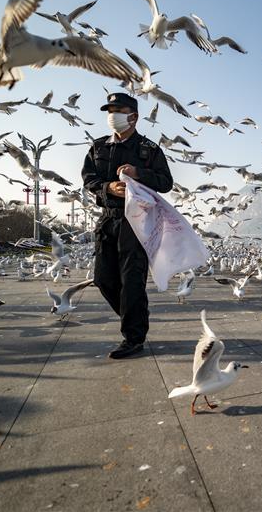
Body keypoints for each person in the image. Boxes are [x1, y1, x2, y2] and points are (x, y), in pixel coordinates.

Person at [82, 92, 173, 359]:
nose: (112, 116)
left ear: (133, 116)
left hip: (137, 221)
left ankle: (133, 337)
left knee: (132, 280)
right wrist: (108, 187)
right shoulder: (98, 147)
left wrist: (139, 173)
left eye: (118, 110)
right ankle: (135, 317)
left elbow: (166, 182)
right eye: (109, 111)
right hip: (108, 217)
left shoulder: (148, 149)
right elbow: (89, 180)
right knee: (103, 279)